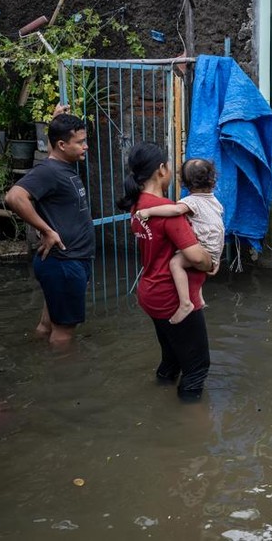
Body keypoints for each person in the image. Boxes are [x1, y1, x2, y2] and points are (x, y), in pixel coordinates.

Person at [116, 142, 213, 400]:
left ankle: (159, 401)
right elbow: (196, 258)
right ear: (161, 169)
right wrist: (210, 261)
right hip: (173, 297)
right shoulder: (168, 212)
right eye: (169, 165)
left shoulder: (138, 205)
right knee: (197, 367)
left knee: (172, 360)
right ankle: (188, 429)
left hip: (151, 292)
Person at [4, 105, 93, 350]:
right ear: (62, 145)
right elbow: (14, 197)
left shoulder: (60, 165)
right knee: (64, 332)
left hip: (66, 261)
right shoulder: (50, 171)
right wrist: (47, 230)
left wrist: (56, 122)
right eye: (80, 142)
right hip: (64, 262)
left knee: (48, 324)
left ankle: (35, 358)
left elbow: (54, 153)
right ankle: (64, 380)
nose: (85, 146)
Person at [134, 158, 224, 324]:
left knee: (176, 263)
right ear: (212, 181)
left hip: (205, 249)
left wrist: (148, 212)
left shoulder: (191, 202)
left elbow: (175, 210)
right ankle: (199, 298)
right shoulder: (214, 201)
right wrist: (214, 258)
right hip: (216, 247)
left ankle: (185, 303)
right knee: (190, 249)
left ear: (184, 183)